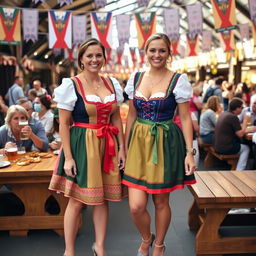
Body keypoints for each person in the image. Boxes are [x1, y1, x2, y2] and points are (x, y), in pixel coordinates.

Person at [48, 38, 125, 256]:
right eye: (89, 55)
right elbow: (63, 123)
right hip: (82, 144)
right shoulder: (71, 85)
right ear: (81, 59)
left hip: (107, 144)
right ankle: (69, 250)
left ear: (104, 57)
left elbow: (116, 119)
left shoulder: (111, 84)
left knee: (102, 200)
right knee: (76, 201)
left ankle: (99, 246)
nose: (94, 59)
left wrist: (122, 148)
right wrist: (69, 158)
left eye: (98, 55)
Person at [122, 33, 196, 256]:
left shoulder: (178, 80)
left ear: (168, 53)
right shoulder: (135, 78)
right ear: (146, 53)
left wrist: (189, 152)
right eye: (152, 50)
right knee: (136, 206)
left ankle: (159, 245)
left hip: (165, 142)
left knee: (161, 201)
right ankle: (147, 237)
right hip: (137, 143)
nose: (157, 55)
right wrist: (123, 148)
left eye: (161, 50)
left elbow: (184, 118)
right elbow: (131, 116)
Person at [214, 97, 256, 170]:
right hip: (225, 147)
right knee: (246, 148)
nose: (242, 109)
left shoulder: (225, 113)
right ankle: (240, 170)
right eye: (241, 108)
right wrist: (245, 120)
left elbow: (238, 131)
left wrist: (247, 130)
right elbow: (241, 134)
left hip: (217, 145)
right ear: (237, 108)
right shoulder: (233, 117)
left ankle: (246, 168)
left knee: (244, 145)